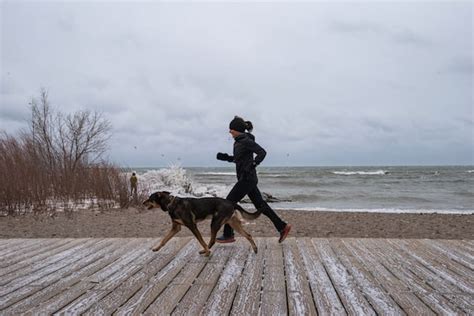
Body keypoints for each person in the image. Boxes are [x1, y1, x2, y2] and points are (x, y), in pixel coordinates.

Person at [216, 116, 291, 243]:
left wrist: (254, 164)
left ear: (237, 129)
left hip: (247, 179)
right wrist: (226, 158)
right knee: (261, 205)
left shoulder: (245, 140)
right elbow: (239, 159)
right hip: (247, 179)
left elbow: (262, 152)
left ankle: (228, 234)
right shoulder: (239, 141)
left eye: (231, 129)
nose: (230, 131)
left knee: (228, 203)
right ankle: (282, 227)